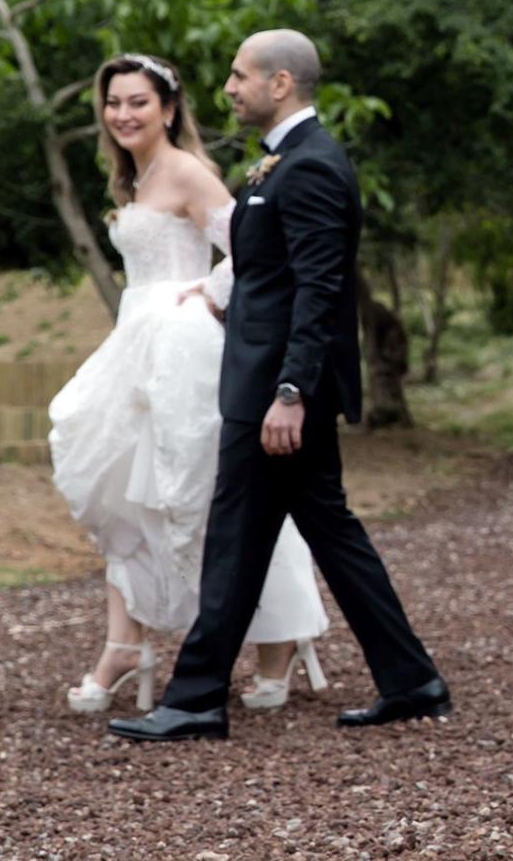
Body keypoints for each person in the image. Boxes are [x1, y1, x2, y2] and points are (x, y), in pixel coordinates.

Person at [109, 30, 451, 742]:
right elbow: (267, 273)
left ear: (281, 83)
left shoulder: (313, 167)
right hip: (263, 390)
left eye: (240, 77)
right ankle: (410, 678)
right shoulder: (279, 163)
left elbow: (321, 290)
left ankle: (197, 697)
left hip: (275, 397)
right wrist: (214, 294)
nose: (229, 88)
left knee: (238, 538)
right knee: (324, 532)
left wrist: (291, 391)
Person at [51, 53, 328, 716]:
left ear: (169, 108)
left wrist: (209, 294)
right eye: (114, 103)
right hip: (136, 345)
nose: (124, 114)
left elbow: (254, 244)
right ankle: (126, 644)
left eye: (138, 102)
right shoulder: (135, 176)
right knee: (126, 491)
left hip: (183, 348)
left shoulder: (184, 170)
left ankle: (279, 639)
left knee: (212, 492)